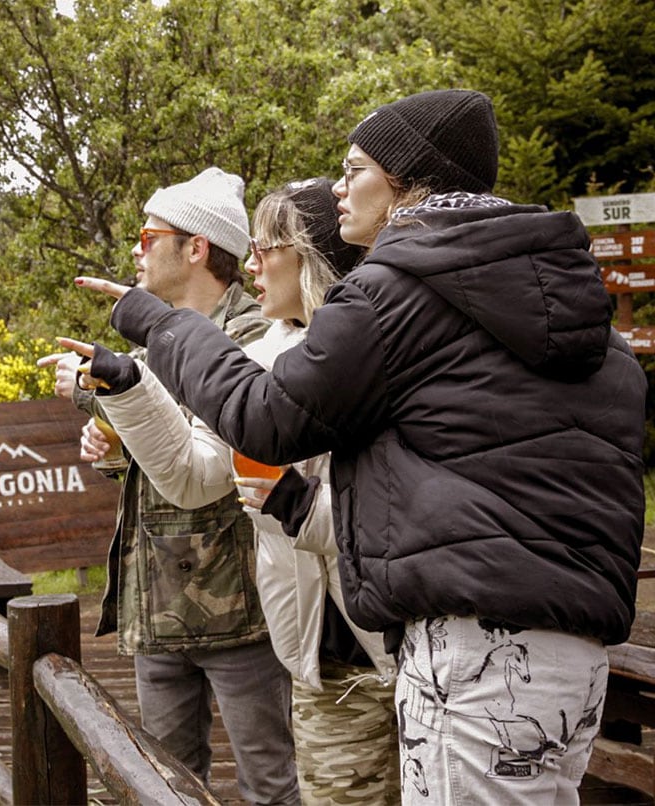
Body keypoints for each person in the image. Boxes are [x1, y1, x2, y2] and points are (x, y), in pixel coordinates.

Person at [73, 89, 646, 805]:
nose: (337, 189)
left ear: (406, 179)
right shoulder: (573, 309)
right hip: (577, 656)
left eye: (354, 169)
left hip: (471, 654)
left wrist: (160, 324)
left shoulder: (398, 294)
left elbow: (266, 416)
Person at [63, 177, 401, 803]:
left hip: (348, 633)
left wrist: (294, 505)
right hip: (315, 646)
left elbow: (401, 514)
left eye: (266, 245)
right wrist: (126, 388)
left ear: (309, 256)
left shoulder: (367, 347)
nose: (252, 263)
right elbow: (194, 473)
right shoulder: (273, 349)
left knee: (272, 784)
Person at [39, 167, 300, 805]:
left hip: (243, 609)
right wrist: (109, 440)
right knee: (165, 787)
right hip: (157, 605)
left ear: (196, 248)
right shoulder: (157, 340)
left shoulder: (257, 332)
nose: (136, 248)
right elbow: (159, 442)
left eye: (147, 234)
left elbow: (205, 443)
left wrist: (110, 398)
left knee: (270, 784)